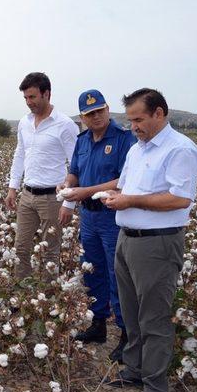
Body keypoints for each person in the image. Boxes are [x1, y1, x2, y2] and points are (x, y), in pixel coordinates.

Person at [104, 88, 197, 392]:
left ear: (160, 113)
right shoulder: (137, 150)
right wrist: (108, 195)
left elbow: (179, 198)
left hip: (158, 243)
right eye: (130, 120)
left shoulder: (180, 149)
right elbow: (126, 188)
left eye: (139, 119)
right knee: (130, 313)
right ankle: (133, 370)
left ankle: (156, 389)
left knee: (154, 317)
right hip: (127, 238)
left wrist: (130, 201)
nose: (133, 126)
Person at [57, 90, 136, 362]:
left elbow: (123, 180)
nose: (97, 116)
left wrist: (85, 190)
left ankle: (127, 335)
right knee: (92, 271)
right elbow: (74, 171)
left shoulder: (124, 139)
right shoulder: (83, 141)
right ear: (83, 118)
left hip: (111, 216)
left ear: (108, 109)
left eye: (100, 110)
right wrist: (68, 185)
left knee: (118, 275)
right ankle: (98, 324)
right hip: (89, 217)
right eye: (90, 114)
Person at [5, 72, 79, 280]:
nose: (29, 103)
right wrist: (13, 187)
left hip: (52, 198)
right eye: (26, 98)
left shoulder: (65, 125)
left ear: (47, 94)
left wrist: (69, 203)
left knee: (51, 251)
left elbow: (76, 165)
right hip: (27, 195)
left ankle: (47, 298)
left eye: (33, 97)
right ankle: (23, 294)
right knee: (21, 248)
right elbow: (20, 154)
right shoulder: (24, 123)